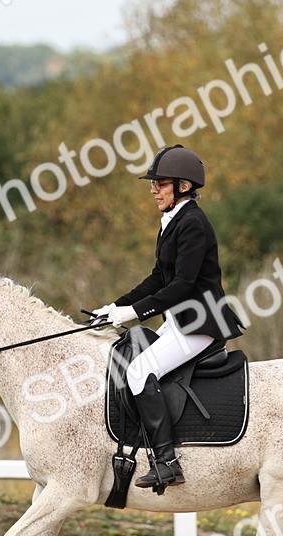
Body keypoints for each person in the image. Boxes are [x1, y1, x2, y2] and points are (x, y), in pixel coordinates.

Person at [93, 144, 245, 492]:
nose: (153, 190)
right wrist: (114, 308)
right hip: (181, 320)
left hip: (200, 322)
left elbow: (181, 285)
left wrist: (133, 313)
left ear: (184, 186)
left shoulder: (192, 223)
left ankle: (166, 463)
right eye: (154, 183)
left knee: (138, 371)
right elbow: (157, 278)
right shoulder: (173, 221)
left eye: (160, 183)